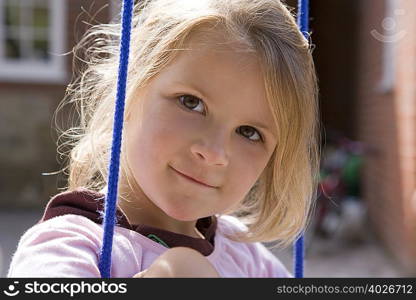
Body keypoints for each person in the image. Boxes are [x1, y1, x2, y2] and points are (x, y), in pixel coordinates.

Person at [7, 0, 320, 278]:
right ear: (128, 89)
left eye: (249, 133)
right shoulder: (68, 247)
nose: (214, 152)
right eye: (191, 102)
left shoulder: (246, 255)